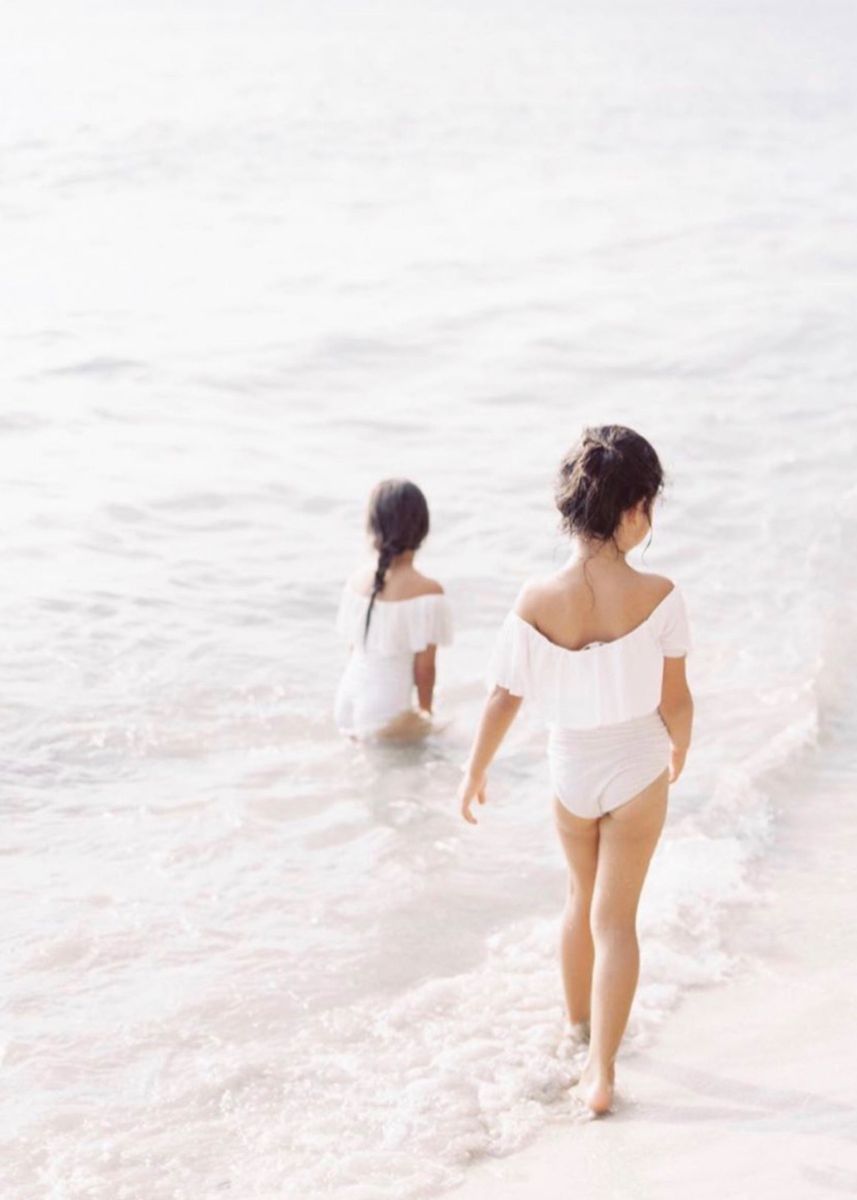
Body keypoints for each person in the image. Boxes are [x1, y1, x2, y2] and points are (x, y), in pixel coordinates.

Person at [456, 425, 693, 1116]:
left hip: (570, 773)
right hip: (636, 767)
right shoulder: (660, 594)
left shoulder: (535, 599)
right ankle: (600, 1071)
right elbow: (675, 700)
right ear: (633, 508)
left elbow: (503, 696)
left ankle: (575, 1030)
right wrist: (680, 746)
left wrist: (473, 771)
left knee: (576, 903)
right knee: (616, 922)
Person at [335, 479, 453, 740]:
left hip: (346, 700)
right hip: (385, 710)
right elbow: (425, 669)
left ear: (372, 527)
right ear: (423, 528)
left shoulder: (357, 582)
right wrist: (425, 714)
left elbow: (354, 649)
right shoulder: (428, 592)